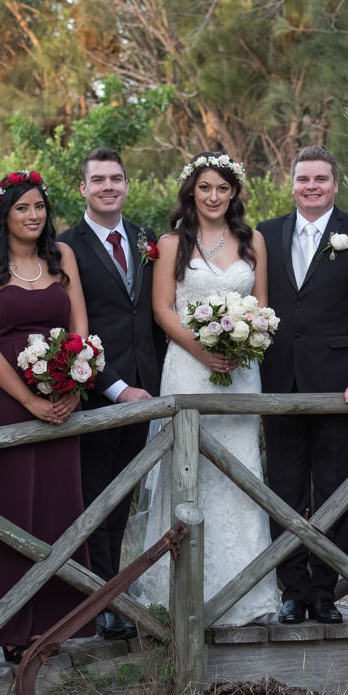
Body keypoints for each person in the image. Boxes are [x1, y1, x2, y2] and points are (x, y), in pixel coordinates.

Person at [133, 152, 281, 626]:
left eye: (222, 188)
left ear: (234, 192)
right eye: (205, 188)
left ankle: (246, 594)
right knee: (188, 471)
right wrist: (202, 349)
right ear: (191, 192)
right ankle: (177, 593)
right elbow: (163, 309)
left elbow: (262, 307)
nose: (214, 197)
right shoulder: (172, 243)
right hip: (188, 368)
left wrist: (245, 343)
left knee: (239, 470)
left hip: (240, 371)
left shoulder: (252, 240)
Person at [0, 172, 92, 661]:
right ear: (4, 214)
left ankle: (59, 624)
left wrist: (75, 387)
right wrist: (29, 400)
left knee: (60, 506)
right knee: (13, 510)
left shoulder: (63, 260)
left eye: (39, 207)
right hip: (8, 402)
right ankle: (11, 628)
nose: (33, 216)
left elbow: (80, 329)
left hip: (64, 399)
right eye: (22, 208)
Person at [257, 146, 348, 625]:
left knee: (333, 490)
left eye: (320, 179)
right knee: (284, 488)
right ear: (291, 184)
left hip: (338, 385)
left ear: (335, 185)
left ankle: (324, 592)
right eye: (303, 179)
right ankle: (292, 590)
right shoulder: (266, 233)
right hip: (280, 380)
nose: (311, 186)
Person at [57, 148, 164, 641]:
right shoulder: (64, 248)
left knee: (122, 500)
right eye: (97, 179)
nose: (107, 186)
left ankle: (113, 595)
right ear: (82, 188)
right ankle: (98, 603)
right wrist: (115, 387)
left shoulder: (147, 239)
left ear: (127, 185)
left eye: (115, 179)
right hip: (98, 391)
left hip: (148, 387)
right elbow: (72, 330)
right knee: (94, 498)